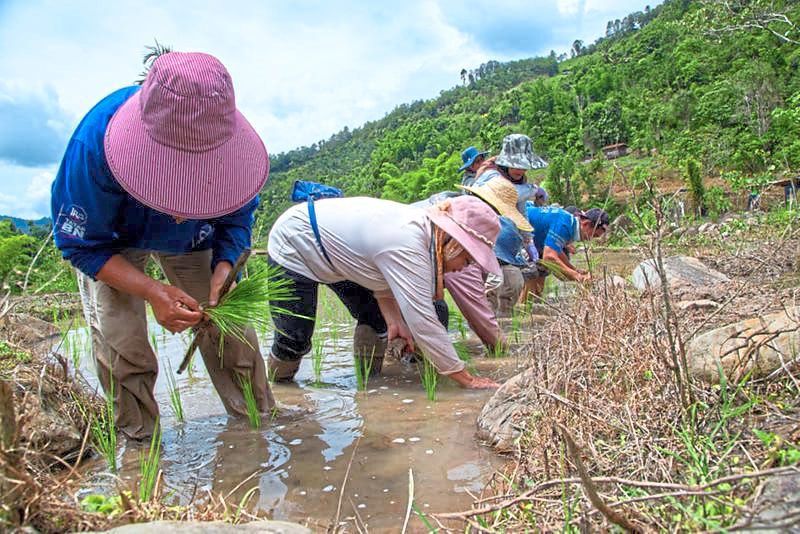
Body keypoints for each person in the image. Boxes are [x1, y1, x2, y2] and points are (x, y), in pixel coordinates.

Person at [50, 52, 273, 440]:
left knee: (230, 330)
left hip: (192, 239)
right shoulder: (94, 145)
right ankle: (139, 445)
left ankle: (258, 428)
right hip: (115, 242)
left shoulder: (232, 147)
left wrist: (225, 266)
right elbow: (82, 246)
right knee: (123, 340)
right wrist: (153, 291)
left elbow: (238, 217)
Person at [266, 195, 502, 389]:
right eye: (468, 257)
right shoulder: (408, 241)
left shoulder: (422, 237)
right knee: (293, 338)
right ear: (454, 244)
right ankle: (280, 389)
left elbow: (380, 282)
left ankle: (369, 385)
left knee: (375, 318)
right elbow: (423, 322)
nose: (466, 266)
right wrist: (467, 380)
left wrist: (394, 322)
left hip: (338, 258)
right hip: (295, 244)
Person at [413, 177, 532, 349]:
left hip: (381, 271)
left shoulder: (452, 205)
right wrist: (504, 352)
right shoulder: (462, 233)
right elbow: (477, 312)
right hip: (386, 272)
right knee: (436, 314)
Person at [458, 177, 533, 318]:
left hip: (502, 260)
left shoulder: (506, 224)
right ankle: (483, 327)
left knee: (515, 281)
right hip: (474, 260)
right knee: (491, 289)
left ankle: (504, 321)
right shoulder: (467, 213)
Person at [519, 205, 610, 302]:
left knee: (538, 286)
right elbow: (549, 257)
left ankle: (526, 310)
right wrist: (577, 276)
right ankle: (520, 311)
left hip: (534, 244)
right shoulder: (565, 224)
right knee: (531, 283)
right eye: (594, 235)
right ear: (586, 223)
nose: (590, 239)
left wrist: (574, 270)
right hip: (514, 231)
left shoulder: (570, 224)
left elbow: (556, 251)